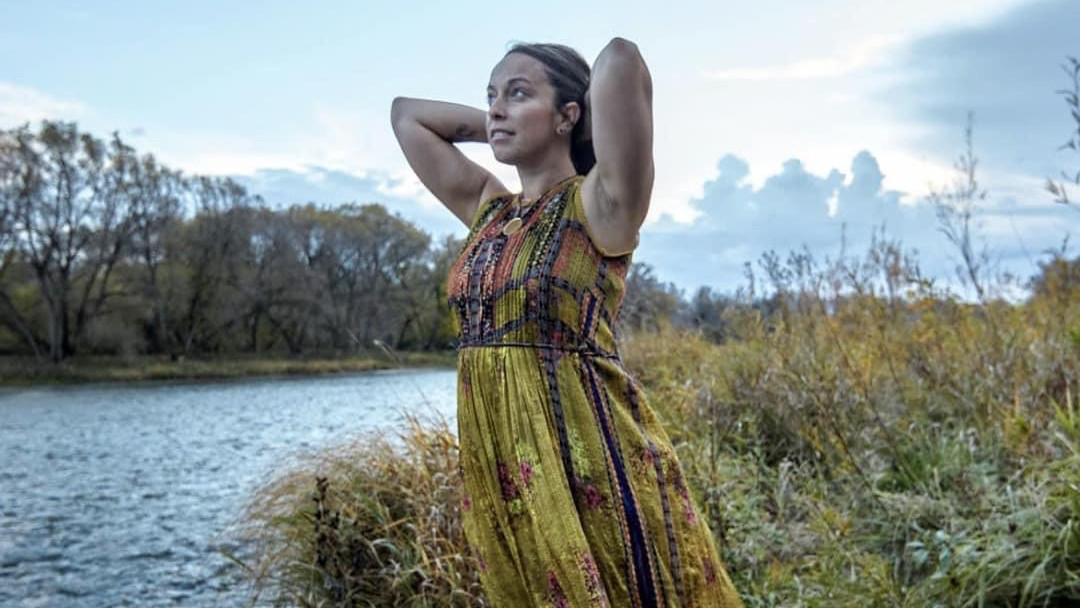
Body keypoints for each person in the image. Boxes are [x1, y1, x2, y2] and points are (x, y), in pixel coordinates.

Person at [391, 37, 742, 608]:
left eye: (518, 93)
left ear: (570, 114)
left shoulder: (601, 204)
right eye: (491, 96)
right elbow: (407, 115)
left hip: (595, 459)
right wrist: (504, 123)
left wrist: (567, 127)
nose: (497, 107)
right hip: (508, 467)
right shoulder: (488, 208)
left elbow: (619, 60)